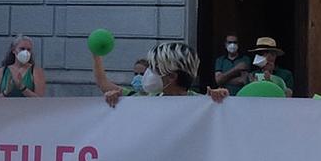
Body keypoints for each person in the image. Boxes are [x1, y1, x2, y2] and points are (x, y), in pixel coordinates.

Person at [94, 42, 228, 104]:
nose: (148, 73)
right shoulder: (145, 100)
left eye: (154, 68)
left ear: (172, 76)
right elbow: (103, 83)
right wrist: (115, 99)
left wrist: (222, 101)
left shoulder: (202, 104)